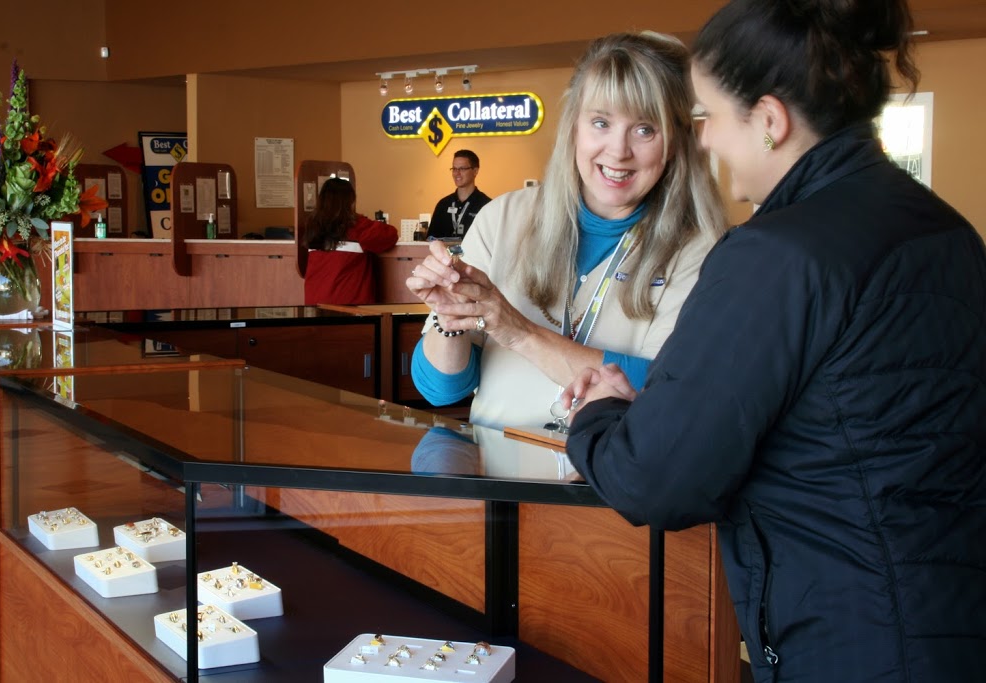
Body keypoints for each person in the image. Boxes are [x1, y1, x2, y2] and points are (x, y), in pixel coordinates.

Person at [561, 2, 986, 681]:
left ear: (770, 121)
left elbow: (658, 479)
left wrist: (598, 415)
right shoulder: (947, 229)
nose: (704, 142)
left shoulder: (777, 254)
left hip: (853, 640)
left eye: (709, 118)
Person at [406, 32, 727, 429]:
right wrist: (449, 310)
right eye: (600, 122)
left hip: (605, 483)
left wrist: (518, 331)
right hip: (498, 475)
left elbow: (667, 386)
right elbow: (441, 389)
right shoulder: (501, 218)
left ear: (676, 142)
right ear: (574, 127)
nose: (618, 151)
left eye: (645, 129)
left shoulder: (702, 250)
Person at [302, 178, 398, 305]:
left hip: (314, 303)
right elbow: (390, 235)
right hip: (348, 306)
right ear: (350, 201)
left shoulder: (313, 226)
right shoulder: (357, 225)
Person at [425, 150, 491, 240]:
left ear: (475, 171)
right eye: (454, 169)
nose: (457, 173)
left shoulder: (486, 205)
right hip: (444, 254)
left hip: (473, 254)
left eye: (462, 169)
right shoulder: (443, 204)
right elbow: (431, 239)